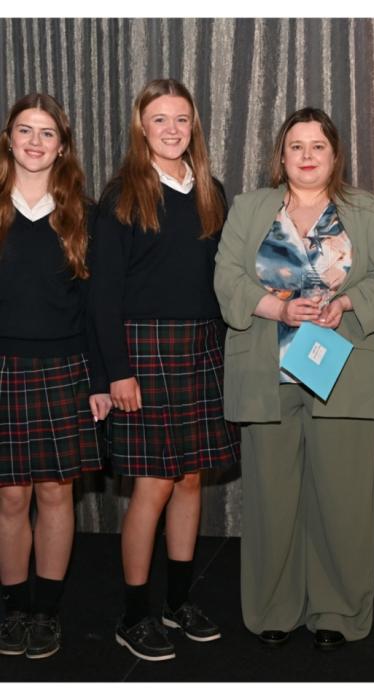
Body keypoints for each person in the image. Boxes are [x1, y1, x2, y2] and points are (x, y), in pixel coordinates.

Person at [214, 107, 374, 652]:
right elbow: (225, 274)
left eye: (318, 146)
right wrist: (273, 307)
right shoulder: (250, 208)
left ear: (334, 154)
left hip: (341, 369)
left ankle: (338, 613)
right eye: (296, 146)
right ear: (282, 154)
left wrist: (345, 303)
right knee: (272, 500)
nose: (307, 156)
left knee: (342, 500)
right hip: (265, 373)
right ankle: (275, 608)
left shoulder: (367, 210)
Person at [90, 78, 238, 662]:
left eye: (181, 119)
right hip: (143, 354)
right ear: (141, 127)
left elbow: (221, 280)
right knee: (150, 486)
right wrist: (116, 372)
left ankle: (179, 604)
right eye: (160, 119)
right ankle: (135, 615)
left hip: (201, 348)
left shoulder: (211, 191)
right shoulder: (123, 193)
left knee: (191, 479)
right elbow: (104, 294)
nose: (172, 129)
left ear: (193, 126)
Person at [0, 93, 105, 660]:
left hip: (66, 369)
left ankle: (47, 612)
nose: (35, 143)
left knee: (55, 493)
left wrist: (98, 381)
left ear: (62, 146)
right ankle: (15, 609)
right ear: (9, 140)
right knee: (11, 498)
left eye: (46, 134)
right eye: (25, 131)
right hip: (3, 370)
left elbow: (95, 307)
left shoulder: (83, 215)